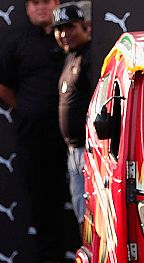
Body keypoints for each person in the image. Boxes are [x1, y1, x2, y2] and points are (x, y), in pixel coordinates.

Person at [0, 0, 69, 263]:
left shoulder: (73, 37)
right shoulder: (17, 42)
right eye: (35, 2)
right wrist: (27, 108)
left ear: (58, 4)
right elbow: (0, 87)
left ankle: (89, 261)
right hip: (34, 135)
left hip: (75, 136)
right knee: (43, 197)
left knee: (82, 196)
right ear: (27, 8)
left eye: (46, 2)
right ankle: (51, 260)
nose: (41, 8)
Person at [53, 3, 92, 235]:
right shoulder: (70, 58)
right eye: (59, 29)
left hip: (91, 150)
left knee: (95, 213)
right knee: (81, 212)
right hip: (73, 151)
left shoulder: (92, 55)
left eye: (70, 27)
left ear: (84, 26)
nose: (64, 34)